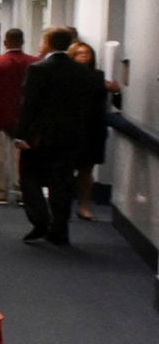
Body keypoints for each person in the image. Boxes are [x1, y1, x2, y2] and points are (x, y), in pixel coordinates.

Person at [16, 27, 104, 245]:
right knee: (62, 182)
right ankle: (60, 229)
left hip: (40, 137)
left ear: (47, 42)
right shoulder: (83, 72)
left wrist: (21, 135)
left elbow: (30, 105)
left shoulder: (38, 69)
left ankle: (40, 219)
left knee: (29, 177)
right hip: (72, 137)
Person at [0, 28, 35, 204]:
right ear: (23, 41)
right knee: (20, 155)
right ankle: (21, 190)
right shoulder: (34, 63)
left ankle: (0, 190)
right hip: (24, 116)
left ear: (5, 42)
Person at [67, 41, 118, 221]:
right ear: (72, 56)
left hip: (93, 128)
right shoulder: (66, 76)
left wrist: (115, 91)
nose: (84, 56)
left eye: (87, 53)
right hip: (69, 127)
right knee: (64, 169)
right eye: (79, 53)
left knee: (86, 169)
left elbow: (109, 101)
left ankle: (84, 205)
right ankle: (61, 205)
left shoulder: (99, 76)